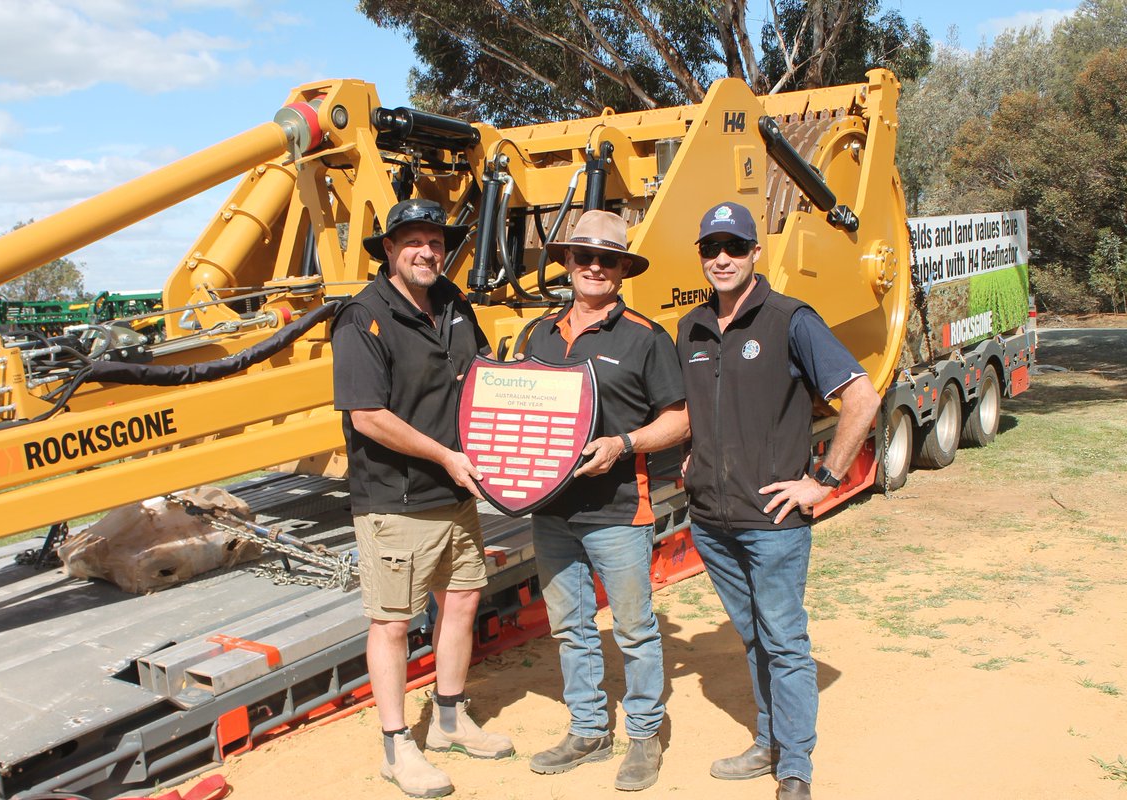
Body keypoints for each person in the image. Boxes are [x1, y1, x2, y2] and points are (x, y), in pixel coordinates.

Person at [676, 201, 881, 800]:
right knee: (753, 636)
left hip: (772, 522)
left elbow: (862, 398)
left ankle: (795, 767)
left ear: (755, 253)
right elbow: (695, 410)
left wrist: (825, 478)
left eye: (734, 247)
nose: (721, 259)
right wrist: (698, 452)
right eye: (711, 248)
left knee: (785, 641)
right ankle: (768, 741)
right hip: (711, 521)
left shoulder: (792, 320)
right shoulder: (691, 328)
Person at [332, 198, 514, 798]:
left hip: (457, 492)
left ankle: (451, 721)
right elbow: (366, 416)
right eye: (411, 241)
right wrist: (444, 456)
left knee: (461, 601)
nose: (425, 251)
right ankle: (396, 747)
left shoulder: (455, 305)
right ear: (388, 249)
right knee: (391, 624)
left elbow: (485, 372)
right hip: (396, 499)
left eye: (434, 240)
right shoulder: (364, 317)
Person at [523, 210, 689, 791]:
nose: (594, 267)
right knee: (570, 627)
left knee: (634, 628)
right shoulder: (538, 335)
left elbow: (680, 418)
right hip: (549, 512)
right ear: (566, 264)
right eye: (583, 257)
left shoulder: (645, 337)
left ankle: (644, 736)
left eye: (607, 259)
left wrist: (624, 444)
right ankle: (589, 729)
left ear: (621, 269)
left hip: (619, 510)